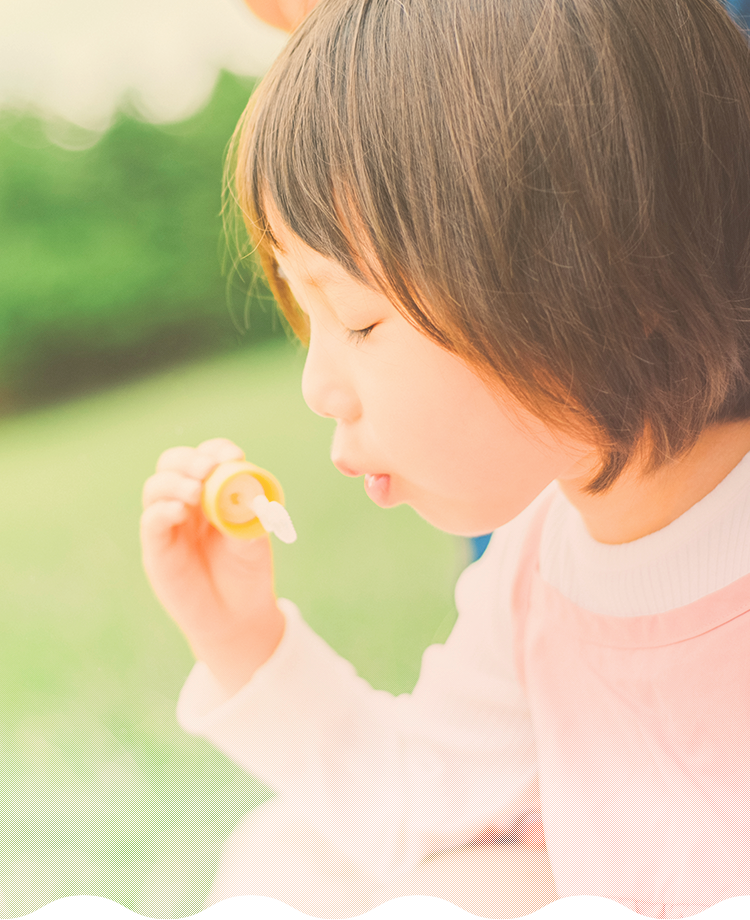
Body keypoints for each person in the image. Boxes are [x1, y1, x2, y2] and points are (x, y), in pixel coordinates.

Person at [140, 0, 750, 917]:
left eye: (357, 320)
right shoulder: (538, 570)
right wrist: (243, 641)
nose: (319, 387)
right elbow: (423, 799)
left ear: (598, 285)